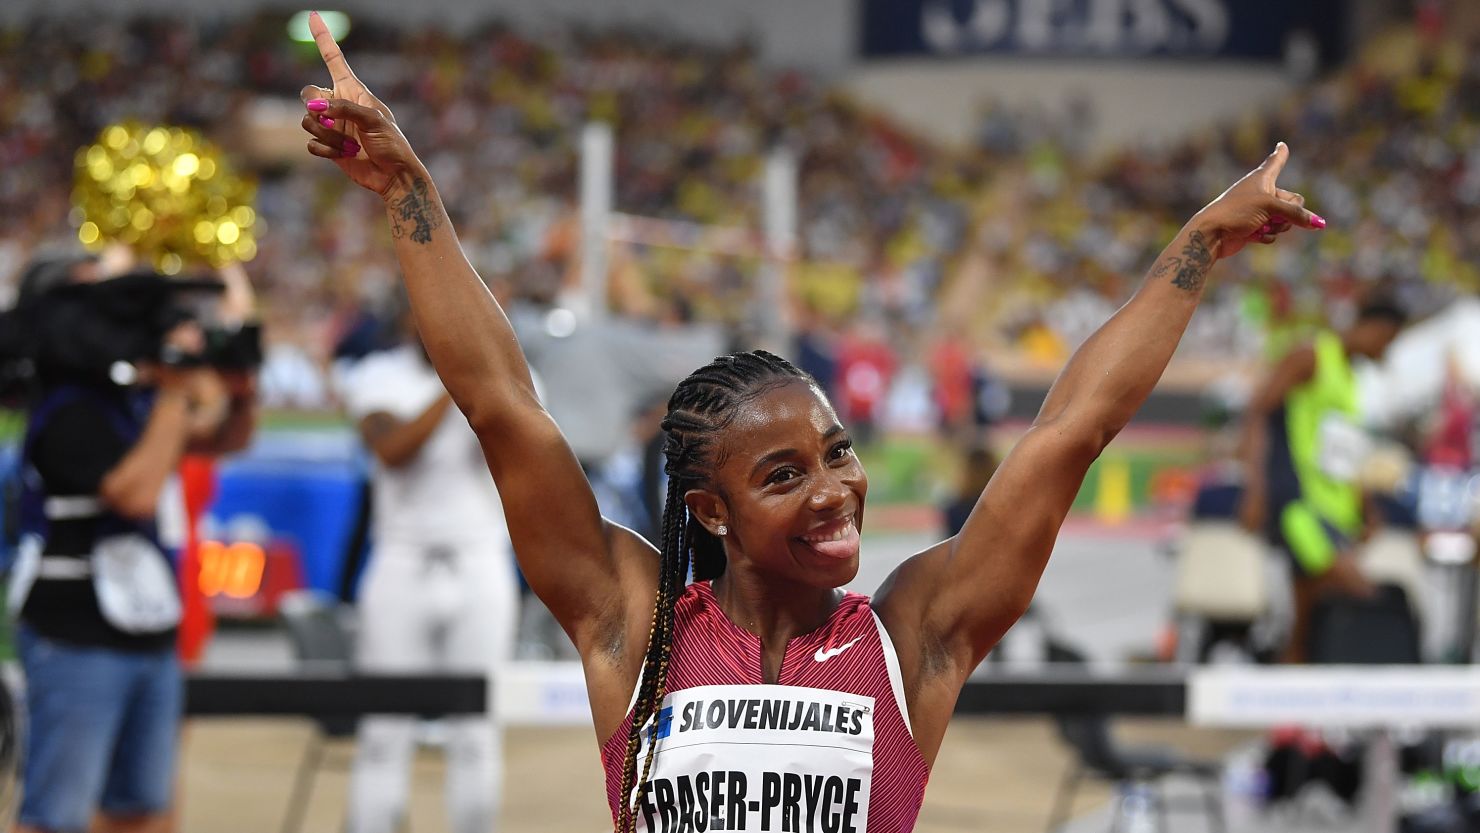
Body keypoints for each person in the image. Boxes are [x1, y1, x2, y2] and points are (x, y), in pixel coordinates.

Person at [297, 12, 1323, 829]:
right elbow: (501, 405)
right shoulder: (633, 625)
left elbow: (1069, 430)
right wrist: (405, 188)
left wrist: (1192, 249)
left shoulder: (915, 632)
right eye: (783, 473)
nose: (835, 487)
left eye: (836, 452)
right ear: (709, 507)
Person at [8, 262, 256, 833]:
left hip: (145, 630)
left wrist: (239, 390)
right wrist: (174, 390)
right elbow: (137, 493)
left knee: (142, 805)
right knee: (58, 813)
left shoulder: (126, 402)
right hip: (75, 634)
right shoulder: (69, 408)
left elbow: (221, 438)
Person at [337, 303, 519, 833]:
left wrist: (489, 385)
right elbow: (392, 450)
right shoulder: (378, 374)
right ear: (409, 319)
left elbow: (520, 460)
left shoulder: (508, 377)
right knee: (384, 731)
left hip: (480, 559)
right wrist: (458, 385)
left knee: (476, 731)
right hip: (400, 559)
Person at [1237, 298, 1407, 663]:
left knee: (1307, 618)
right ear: (1371, 328)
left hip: (1330, 510)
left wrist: (1364, 507)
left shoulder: (1349, 375)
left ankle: (1293, 699)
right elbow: (1257, 413)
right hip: (1299, 504)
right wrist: (1255, 490)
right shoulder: (1310, 357)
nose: (1386, 351)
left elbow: (1342, 450)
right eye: (1387, 341)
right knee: (1362, 593)